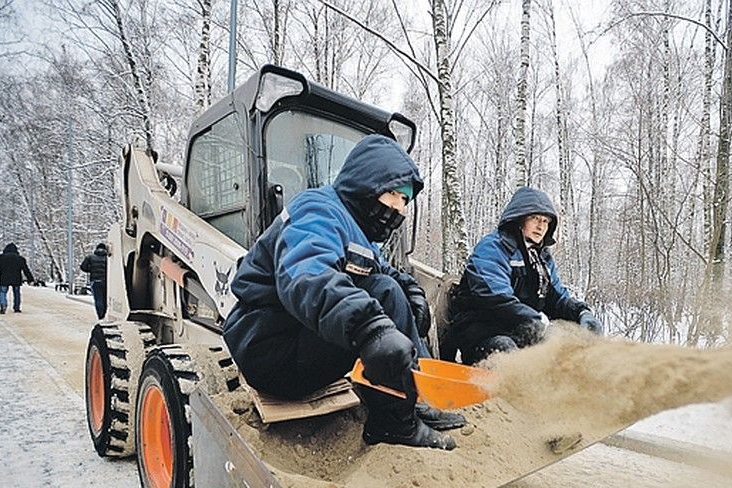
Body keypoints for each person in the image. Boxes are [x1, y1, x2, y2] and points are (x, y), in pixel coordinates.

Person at [223, 134, 465, 450]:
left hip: (293, 340)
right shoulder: (318, 210)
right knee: (383, 294)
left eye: (405, 202)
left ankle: (416, 398)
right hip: (270, 348)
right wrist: (370, 329)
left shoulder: (355, 231)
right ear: (369, 184)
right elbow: (308, 275)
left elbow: (381, 271)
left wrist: (413, 293)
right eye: (395, 195)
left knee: (390, 288)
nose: (399, 210)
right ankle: (394, 424)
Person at [446, 186, 604, 364]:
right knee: (508, 353)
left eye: (545, 221)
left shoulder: (541, 258)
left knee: (565, 357)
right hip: (480, 331)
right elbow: (496, 298)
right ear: (520, 218)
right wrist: (538, 323)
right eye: (534, 218)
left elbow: (557, 298)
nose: (540, 226)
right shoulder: (493, 247)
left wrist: (581, 312)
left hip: (519, 330)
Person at [0, 242, 34, 314]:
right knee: (17, 293)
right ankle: (16, 308)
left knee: (2, 292)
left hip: (4, 278)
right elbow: (26, 270)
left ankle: (3, 304)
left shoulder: (0, 258)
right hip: (16, 279)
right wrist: (30, 279)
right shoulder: (20, 259)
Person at [80, 242, 109, 319]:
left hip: (95, 281)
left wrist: (91, 270)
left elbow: (83, 267)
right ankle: (105, 314)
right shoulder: (108, 258)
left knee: (98, 299)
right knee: (105, 299)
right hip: (106, 281)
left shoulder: (90, 257)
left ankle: (100, 316)